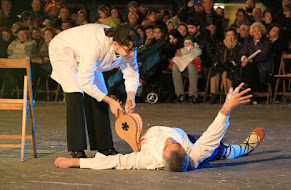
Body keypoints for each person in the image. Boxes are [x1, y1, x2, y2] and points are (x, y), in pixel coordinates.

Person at [55, 83, 265, 172]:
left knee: (213, 151)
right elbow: (213, 134)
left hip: (162, 140)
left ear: (161, 161)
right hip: (192, 141)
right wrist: (226, 107)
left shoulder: (146, 159)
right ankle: (244, 148)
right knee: (217, 149)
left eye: (169, 145)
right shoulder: (194, 154)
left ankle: (237, 149)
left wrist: (73, 162)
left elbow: (113, 161)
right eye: (174, 144)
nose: (170, 141)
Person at [48, 24, 141, 158]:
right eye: (129, 50)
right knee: (75, 93)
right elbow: (84, 82)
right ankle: (76, 148)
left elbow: (132, 72)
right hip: (64, 49)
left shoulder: (129, 44)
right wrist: (111, 101)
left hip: (84, 52)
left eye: (134, 49)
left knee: (100, 93)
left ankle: (105, 147)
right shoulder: (97, 46)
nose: (132, 53)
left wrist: (130, 97)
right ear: (116, 44)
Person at [239, 22, 273, 94]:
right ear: (252, 33)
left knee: (249, 67)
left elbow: (263, 55)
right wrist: (244, 58)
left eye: (258, 31)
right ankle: (248, 91)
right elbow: (243, 51)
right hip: (249, 65)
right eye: (254, 31)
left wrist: (248, 61)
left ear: (262, 31)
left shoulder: (266, 42)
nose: (257, 33)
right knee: (248, 67)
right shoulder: (248, 41)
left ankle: (248, 91)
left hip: (262, 66)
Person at [210, 27, 242, 104]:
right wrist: (217, 63)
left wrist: (232, 63)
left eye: (232, 35)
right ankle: (213, 94)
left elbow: (239, 58)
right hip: (221, 66)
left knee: (226, 74)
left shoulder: (239, 46)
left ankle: (228, 94)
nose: (230, 37)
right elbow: (215, 56)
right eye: (228, 35)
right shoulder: (220, 45)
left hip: (232, 67)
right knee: (215, 74)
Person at [169, 36, 202, 103]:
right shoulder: (182, 48)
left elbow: (198, 53)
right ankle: (180, 94)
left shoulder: (195, 48)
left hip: (191, 63)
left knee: (191, 65)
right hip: (183, 62)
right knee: (175, 66)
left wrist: (193, 48)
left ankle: (193, 94)